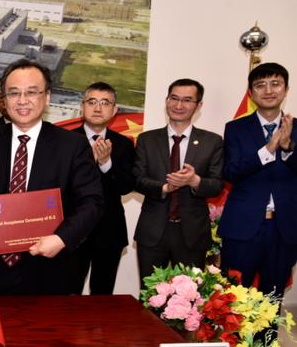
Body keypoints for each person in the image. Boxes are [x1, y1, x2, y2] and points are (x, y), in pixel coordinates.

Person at [0, 59, 104, 295]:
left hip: (51, 268)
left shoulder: (72, 145)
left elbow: (92, 202)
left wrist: (61, 238)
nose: (22, 100)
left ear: (47, 97)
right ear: (4, 99)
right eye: (14, 93)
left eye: (32, 92)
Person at [133, 78, 223, 281]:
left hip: (192, 233)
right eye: (174, 98)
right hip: (153, 232)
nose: (179, 105)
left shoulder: (212, 141)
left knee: (190, 296)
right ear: (167, 100)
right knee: (150, 294)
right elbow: (137, 179)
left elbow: (217, 185)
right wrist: (165, 187)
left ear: (198, 105)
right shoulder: (147, 139)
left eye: (187, 100)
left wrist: (194, 181)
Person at [219, 62, 297, 297]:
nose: (269, 90)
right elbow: (230, 172)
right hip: (243, 227)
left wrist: (287, 149)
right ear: (251, 93)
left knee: (272, 298)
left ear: (286, 89)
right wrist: (267, 150)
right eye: (261, 85)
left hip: (285, 229)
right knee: (233, 299)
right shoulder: (235, 128)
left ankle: (268, 326)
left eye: (275, 84)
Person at [71, 82, 135, 294]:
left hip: (109, 231)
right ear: (82, 106)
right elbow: (58, 185)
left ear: (114, 110)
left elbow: (126, 186)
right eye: (92, 102)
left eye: (105, 103)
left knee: (102, 296)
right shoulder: (65, 140)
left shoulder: (124, 144)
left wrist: (106, 162)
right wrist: (91, 161)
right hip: (72, 230)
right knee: (67, 295)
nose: (97, 108)